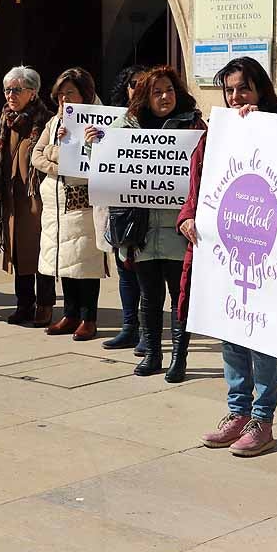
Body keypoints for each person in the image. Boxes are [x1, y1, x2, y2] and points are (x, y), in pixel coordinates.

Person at [180, 58, 277, 456]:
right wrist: (188, 218)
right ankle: (237, 412)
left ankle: (261, 420)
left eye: (243, 89)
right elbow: (199, 183)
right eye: (229, 90)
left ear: (260, 89)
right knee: (230, 330)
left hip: (266, 250)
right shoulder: (216, 134)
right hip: (227, 251)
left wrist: (260, 126)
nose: (235, 98)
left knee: (261, 335)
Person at [88, 66, 204, 380]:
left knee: (180, 300)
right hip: (139, 230)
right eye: (156, 92)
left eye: (169, 90)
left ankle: (178, 359)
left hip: (179, 230)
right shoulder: (124, 129)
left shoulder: (195, 127)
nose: (164, 97)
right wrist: (93, 145)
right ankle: (153, 354)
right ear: (144, 97)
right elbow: (108, 171)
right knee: (149, 298)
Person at [31, 68, 109, 341]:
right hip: (55, 203)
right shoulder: (54, 122)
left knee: (85, 263)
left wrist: (59, 155)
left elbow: (87, 165)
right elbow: (36, 156)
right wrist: (60, 156)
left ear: (84, 94)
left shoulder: (98, 123)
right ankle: (70, 313)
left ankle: (89, 317)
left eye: (70, 93)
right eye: (61, 94)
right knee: (64, 262)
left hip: (81, 202)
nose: (64, 99)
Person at [0, 66, 56, 325]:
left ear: (33, 92)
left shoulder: (46, 121)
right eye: (7, 90)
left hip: (38, 200)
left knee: (41, 252)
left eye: (16, 90)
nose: (10, 95)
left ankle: (45, 305)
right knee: (18, 253)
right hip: (12, 199)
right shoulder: (5, 120)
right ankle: (24, 304)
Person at [101, 64, 149, 352]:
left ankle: (148, 332)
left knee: (148, 277)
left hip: (153, 212)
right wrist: (94, 144)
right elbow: (101, 167)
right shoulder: (115, 124)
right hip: (123, 211)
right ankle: (129, 327)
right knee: (125, 273)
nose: (137, 88)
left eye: (143, 83)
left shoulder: (160, 121)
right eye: (132, 83)